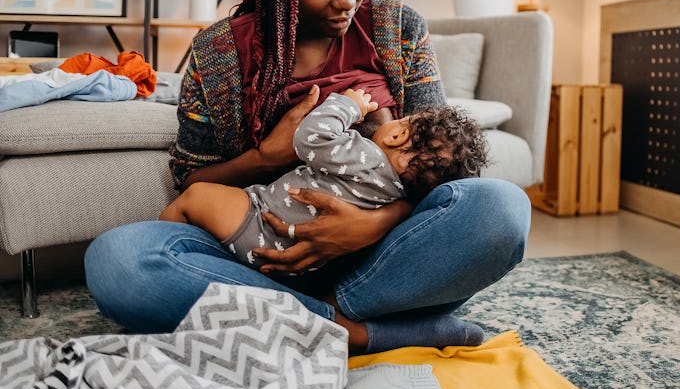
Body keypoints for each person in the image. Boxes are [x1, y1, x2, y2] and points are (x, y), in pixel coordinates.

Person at [84, 0, 531, 354]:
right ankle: (351, 330)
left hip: (379, 258)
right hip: (258, 253)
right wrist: (267, 156)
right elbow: (191, 180)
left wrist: (370, 225)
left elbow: (440, 165)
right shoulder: (219, 52)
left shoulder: (396, 27)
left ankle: (304, 319)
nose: (347, 1)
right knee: (120, 259)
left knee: (500, 208)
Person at [159, 86, 488, 271]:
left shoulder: (367, 158)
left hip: (260, 223)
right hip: (299, 258)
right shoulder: (394, 193)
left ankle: (161, 241)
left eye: (402, 120)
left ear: (397, 136)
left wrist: (349, 106)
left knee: (196, 197)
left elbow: (311, 138)